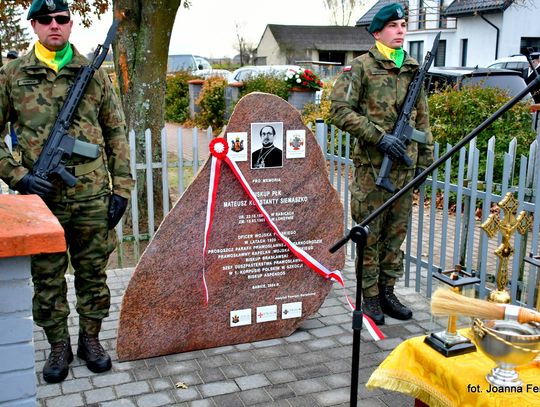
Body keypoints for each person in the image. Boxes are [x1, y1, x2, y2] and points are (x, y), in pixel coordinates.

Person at [0, 0, 134, 383]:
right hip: (39, 202)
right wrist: (19, 176)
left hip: (91, 195)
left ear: (70, 24)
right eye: (45, 19)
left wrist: (121, 189)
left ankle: (90, 340)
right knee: (47, 277)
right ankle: (58, 345)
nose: (53, 25)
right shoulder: (12, 74)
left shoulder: (92, 75)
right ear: (34, 25)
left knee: (93, 273)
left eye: (61, 19)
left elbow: (115, 134)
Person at [330, 3, 433, 326]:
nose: (401, 30)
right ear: (377, 32)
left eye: (403, 24)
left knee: (395, 237)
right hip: (372, 172)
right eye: (393, 26)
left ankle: (388, 292)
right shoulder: (361, 68)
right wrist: (378, 137)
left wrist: (424, 164)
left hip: (404, 169)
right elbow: (339, 111)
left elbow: (422, 120)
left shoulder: (413, 68)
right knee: (370, 237)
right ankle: (370, 296)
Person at [5, 50, 19, 148]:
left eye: (13, 58)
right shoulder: (4, 70)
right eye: (10, 58)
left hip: (16, 100)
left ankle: (14, 142)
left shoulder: (18, 70)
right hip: (5, 100)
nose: (11, 60)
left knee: (14, 122)